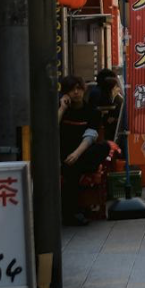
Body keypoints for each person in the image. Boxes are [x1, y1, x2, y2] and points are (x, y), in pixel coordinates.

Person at [58, 75, 106, 226]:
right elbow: (51, 130)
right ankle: (72, 213)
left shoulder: (92, 111)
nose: (76, 92)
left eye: (79, 89)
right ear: (65, 93)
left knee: (104, 147)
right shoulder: (61, 110)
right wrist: (62, 109)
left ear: (84, 90)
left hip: (82, 154)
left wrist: (76, 154)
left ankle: (71, 213)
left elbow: (90, 136)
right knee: (71, 168)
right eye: (71, 90)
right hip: (64, 154)